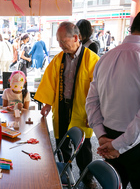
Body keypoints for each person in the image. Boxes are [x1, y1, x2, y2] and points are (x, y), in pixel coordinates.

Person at [85, 8, 140, 189]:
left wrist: (102, 136)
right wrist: (117, 145)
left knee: (112, 185)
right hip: (139, 143)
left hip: (109, 137)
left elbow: (91, 101)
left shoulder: (106, 57)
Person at [34, 21, 99, 189]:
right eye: (58, 41)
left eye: (63, 41)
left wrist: (95, 115)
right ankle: (65, 173)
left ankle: (87, 177)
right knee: (62, 144)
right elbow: (50, 81)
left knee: (83, 147)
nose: (60, 45)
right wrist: (47, 103)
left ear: (76, 38)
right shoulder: (58, 59)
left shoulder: (92, 60)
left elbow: (100, 90)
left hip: (83, 111)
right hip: (62, 106)